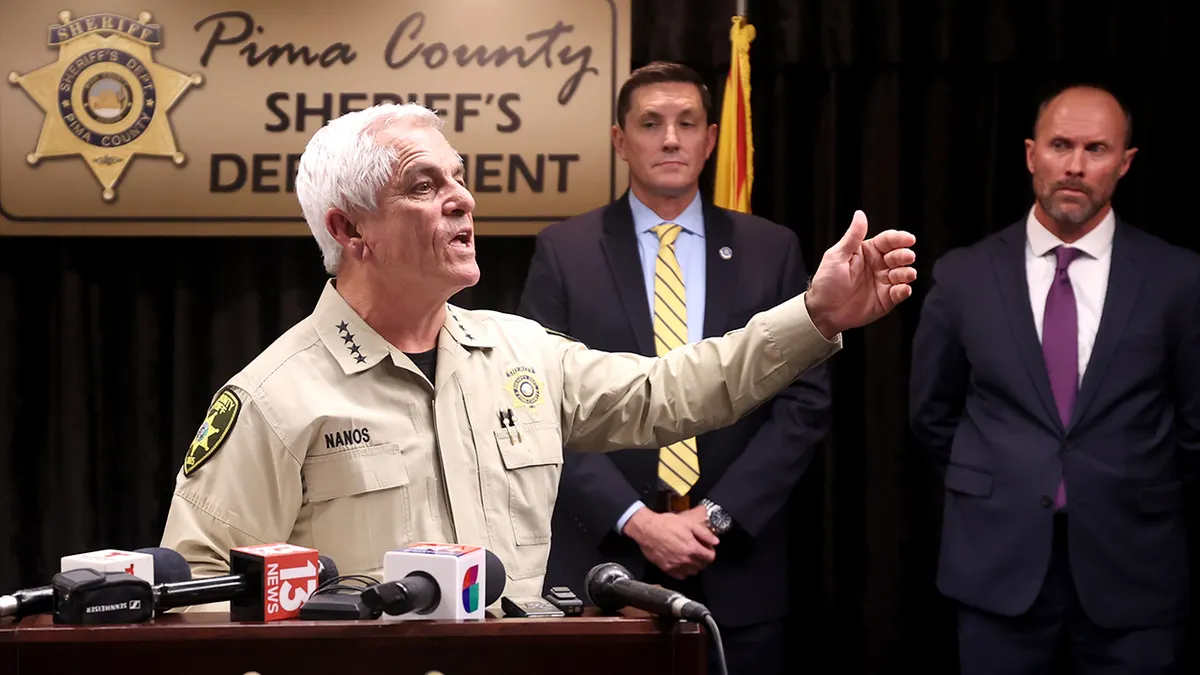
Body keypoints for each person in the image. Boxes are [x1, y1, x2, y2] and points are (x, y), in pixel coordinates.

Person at [159, 101, 917, 607]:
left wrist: (815, 313)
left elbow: (672, 393)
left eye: (459, 177)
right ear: (351, 230)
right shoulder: (273, 397)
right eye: (424, 184)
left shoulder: (519, 352)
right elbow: (196, 593)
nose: (463, 198)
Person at [516, 61, 830, 675]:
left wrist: (715, 516)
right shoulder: (565, 250)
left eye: (687, 124)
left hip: (737, 563)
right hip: (605, 562)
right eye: (651, 123)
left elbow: (804, 402)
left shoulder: (771, 248)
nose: (669, 139)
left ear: (710, 140)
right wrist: (636, 521)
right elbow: (537, 401)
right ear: (619, 139)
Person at [910, 83, 1199, 674]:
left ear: (1126, 162)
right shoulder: (963, 276)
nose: (1075, 166)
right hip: (996, 568)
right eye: (1060, 145)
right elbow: (932, 415)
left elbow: (1194, 426)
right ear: (1030, 154)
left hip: (1135, 572)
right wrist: (1004, 481)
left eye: (1096, 149)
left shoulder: (1178, 278)